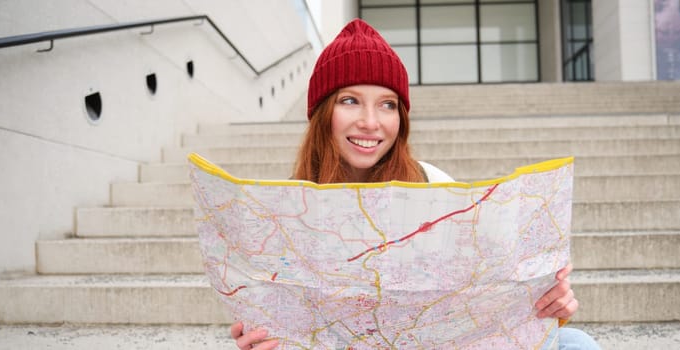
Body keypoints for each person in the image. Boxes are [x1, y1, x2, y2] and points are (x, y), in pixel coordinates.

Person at [230, 19, 600, 350]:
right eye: (350, 101)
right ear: (322, 113)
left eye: (388, 104)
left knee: (575, 343)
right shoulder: (284, 212)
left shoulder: (433, 184)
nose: (371, 122)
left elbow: (481, 302)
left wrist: (548, 304)